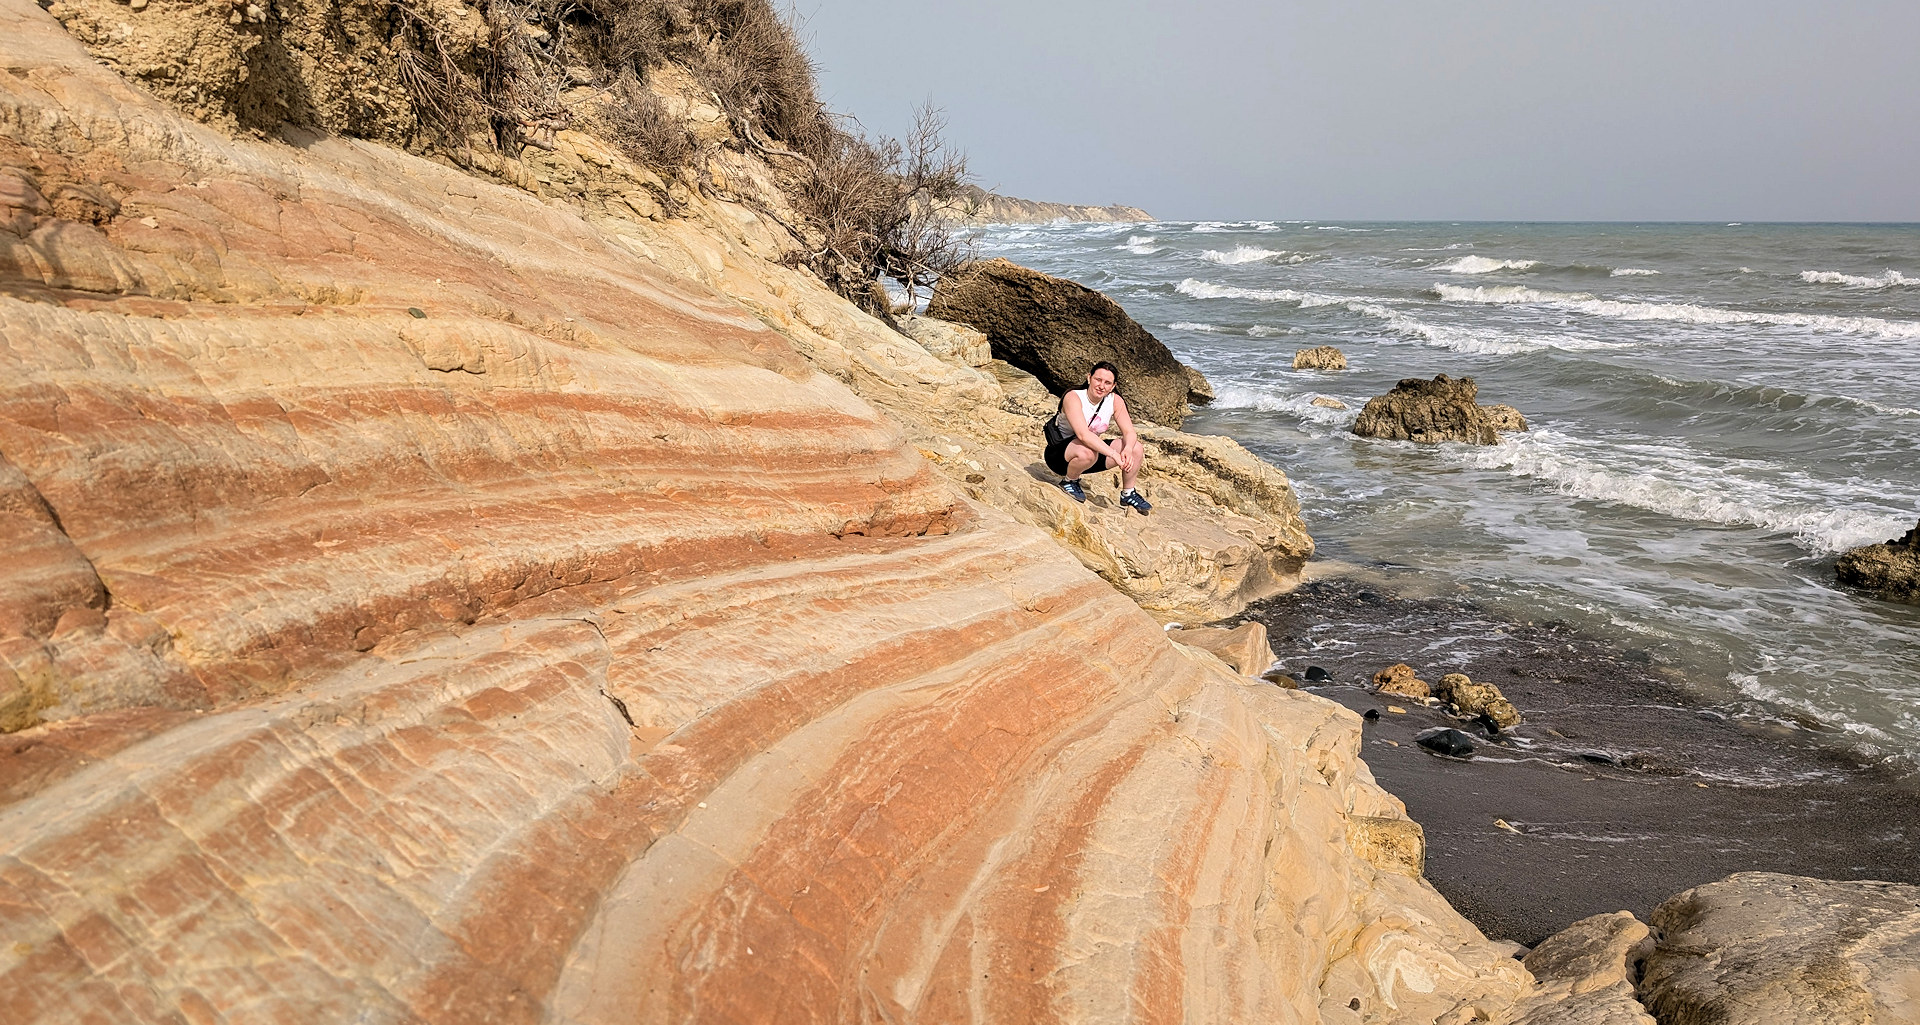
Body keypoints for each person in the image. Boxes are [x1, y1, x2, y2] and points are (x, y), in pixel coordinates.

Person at [1043, 360, 1151, 514]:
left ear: (1113, 386)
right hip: (1060, 456)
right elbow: (1083, 435)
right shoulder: (1073, 397)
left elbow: (1129, 432)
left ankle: (1128, 493)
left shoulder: (1115, 401)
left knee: (1136, 448)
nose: (1102, 386)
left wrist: (1126, 449)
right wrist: (1114, 454)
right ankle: (1069, 481)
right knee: (1088, 451)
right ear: (1089, 378)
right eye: (1098, 380)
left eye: (1107, 383)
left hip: (1090, 454)